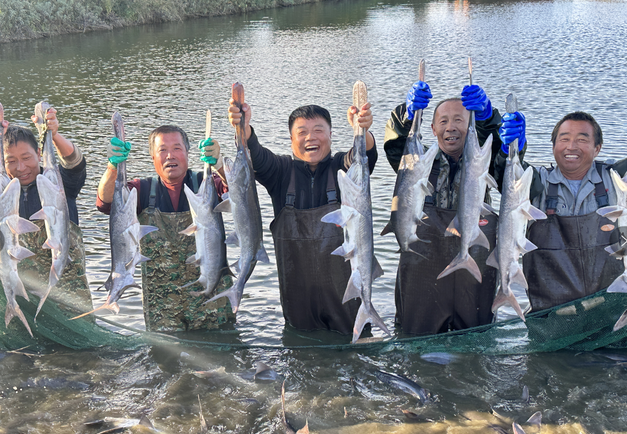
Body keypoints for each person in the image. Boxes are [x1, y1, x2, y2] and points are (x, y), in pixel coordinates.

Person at [227, 99, 377, 336]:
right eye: (302, 132)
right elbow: (256, 156)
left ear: (330, 134)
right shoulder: (280, 171)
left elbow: (364, 157)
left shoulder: (341, 167)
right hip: (298, 304)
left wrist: (362, 131)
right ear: (291, 139)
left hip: (347, 303)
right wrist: (244, 128)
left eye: (318, 130)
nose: (311, 137)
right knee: (299, 358)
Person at [384, 81, 512, 335]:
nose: (450, 127)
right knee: (414, 344)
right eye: (443, 121)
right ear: (432, 128)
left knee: (477, 344)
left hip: (473, 274)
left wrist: (488, 119)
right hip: (422, 276)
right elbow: (398, 143)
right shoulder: (416, 163)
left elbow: (508, 168)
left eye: (458, 120)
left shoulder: (483, 164)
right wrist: (406, 117)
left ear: (470, 126)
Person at [96, 125, 235, 332]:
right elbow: (105, 202)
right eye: (162, 150)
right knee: (164, 361)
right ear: (153, 158)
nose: (170, 155)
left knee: (223, 358)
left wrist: (220, 165)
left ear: (188, 153)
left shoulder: (206, 184)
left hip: (211, 302)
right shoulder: (141, 190)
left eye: (177, 148)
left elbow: (237, 192)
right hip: (162, 309)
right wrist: (112, 167)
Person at [500, 110, 627, 313]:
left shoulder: (614, 179)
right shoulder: (536, 182)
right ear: (553, 147)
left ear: (598, 148)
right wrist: (505, 145)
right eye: (564, 139)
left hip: (612, 312)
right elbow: (503, 176)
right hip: (551, 319)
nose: (571, 146)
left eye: (582, 139)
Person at [0, 107, 92, 317]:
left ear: (38, 153)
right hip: (14, 294)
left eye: (26, 158)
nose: (21, 167)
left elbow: (75, 165)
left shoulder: (59, 183)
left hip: (67, 299)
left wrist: (53, 134)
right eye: (11, 161)